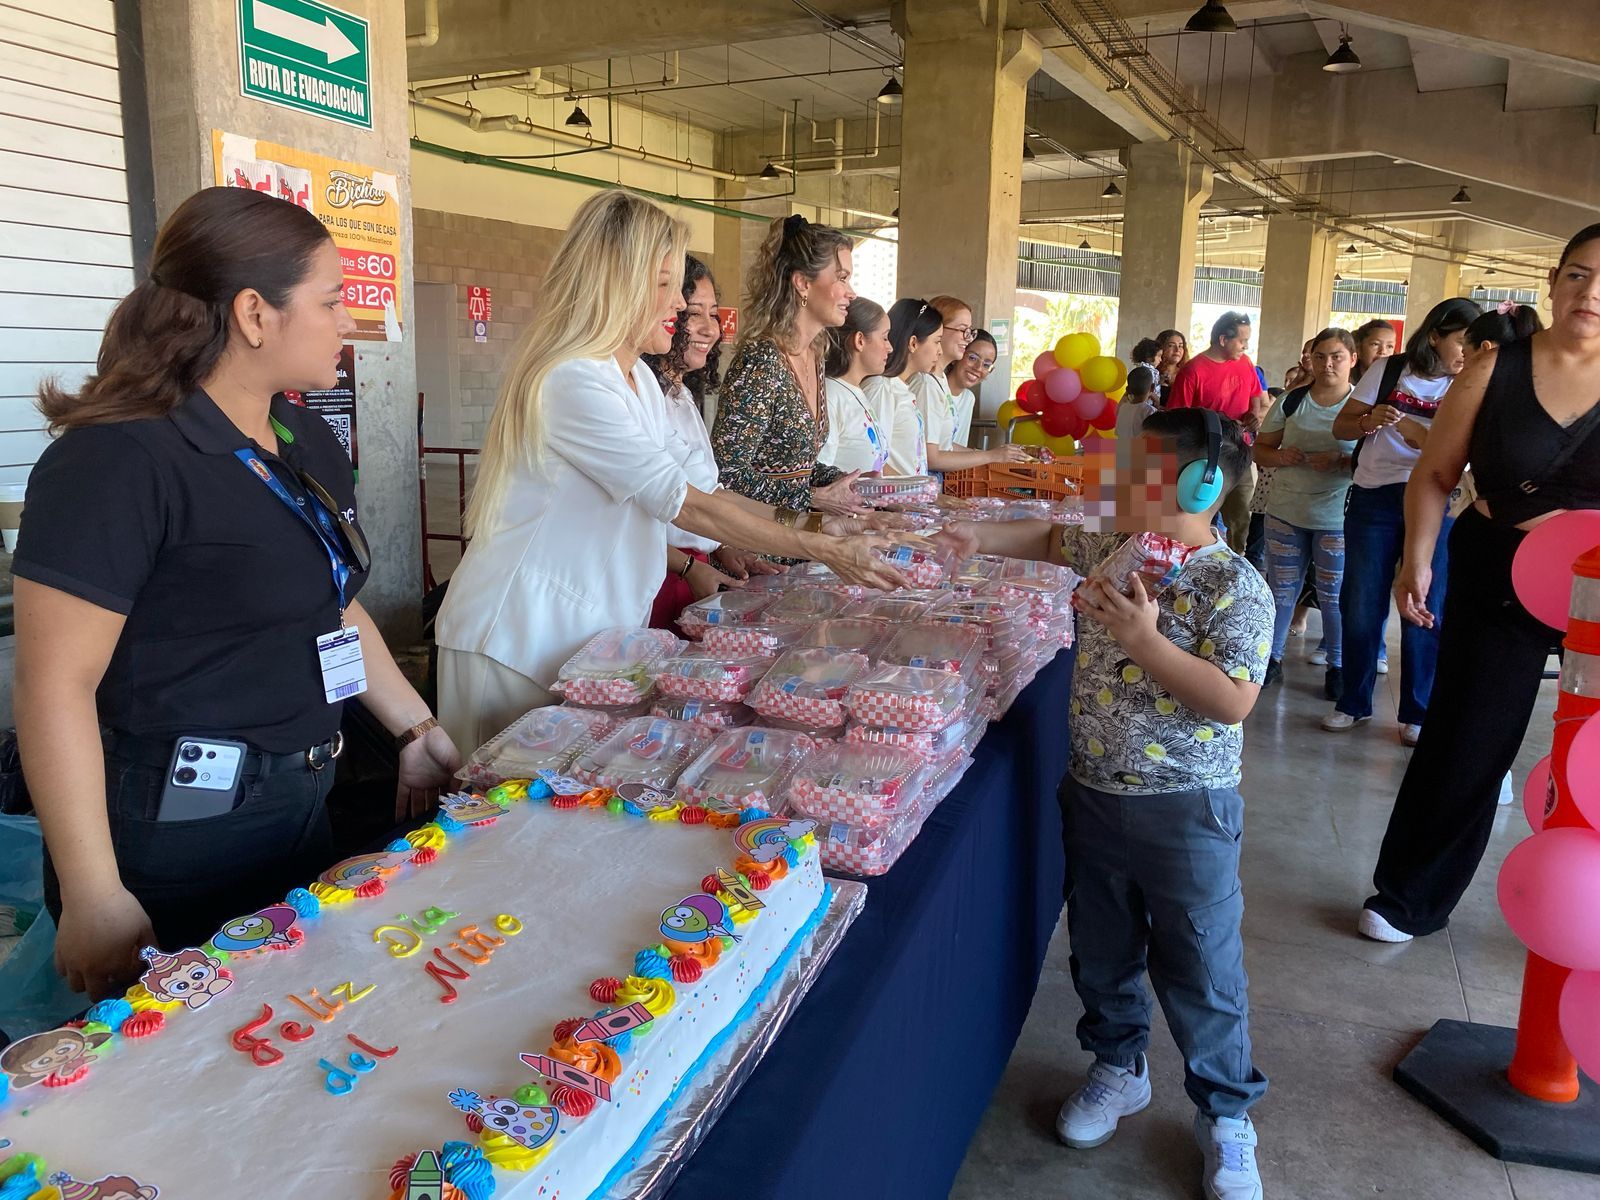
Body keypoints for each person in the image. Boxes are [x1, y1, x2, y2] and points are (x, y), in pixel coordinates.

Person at [12, 186, 463, 998]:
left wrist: (413, 726)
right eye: (331, 303)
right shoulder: (120, 459)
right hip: (175, 829)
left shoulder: (302, 435)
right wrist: (93, 892)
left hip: (303, 794)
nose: (350, 325)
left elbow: (328, 601)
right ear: (256, 314)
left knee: (285, 1025)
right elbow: (54, 685)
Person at [435, 191, 907, 752]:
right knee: (497, 813)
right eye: (664, 284)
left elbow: (709, 493)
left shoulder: (637, 382)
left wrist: (820, 526)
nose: (680, 306)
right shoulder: (573, 379)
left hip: (584, 639)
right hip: (516, 638)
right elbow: (683, 503)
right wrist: (823, 549)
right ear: (616, 284)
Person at [956, 409, 1272, 1200]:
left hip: (1186, 809)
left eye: (1137, 463)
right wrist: (969, 540)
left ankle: (1227, 1114)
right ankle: (1118, 1062)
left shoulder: (1236, 584)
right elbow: (1047, 542)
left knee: (1201, 961)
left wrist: (1145, 640)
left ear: (1198, 482)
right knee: (1102, 944)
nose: (1115, 475)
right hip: (1093, 792)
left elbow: (1232, 702)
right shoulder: (1114, 546)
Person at [1357, 254, 1588, 944]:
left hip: (1598, 585)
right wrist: (1419, 561)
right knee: (1466, 737)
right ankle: (1409, 896)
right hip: (1501, 568)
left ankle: (1584, 911)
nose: (1592, 291)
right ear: (1553, 281)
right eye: (1578, 273)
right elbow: (1433, 473)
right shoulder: (1497, 369)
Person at [1321, 297, 1480, 739]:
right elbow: (1343, 427)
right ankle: (1353, 701)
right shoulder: (1390, 370)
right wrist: (1370, 419)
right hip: (1375, 496)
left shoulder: (1473, 381)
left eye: (1474, 344)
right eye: (1460, 342)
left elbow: (1469, 456)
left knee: (1426, 604)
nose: (1466, 353)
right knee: (1361, 600)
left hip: (1437, 501)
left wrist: (1421, 434)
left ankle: (1417, 711)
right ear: (1435, 337)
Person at [642, 255, 781, 628]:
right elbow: (676, 506)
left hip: (695, 569)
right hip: (662, 573)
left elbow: (705, 489)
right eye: (692, 313)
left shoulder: (682, 394)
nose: (710, 329)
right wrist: (814, 533)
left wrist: (723, 547)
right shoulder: (643, 395)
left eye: (714, 314)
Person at [711, 214, 865, 515]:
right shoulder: (762, 361)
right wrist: (814, 497)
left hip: (793, 533)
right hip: (753, 547)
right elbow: (726, 474)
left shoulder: (814, 356)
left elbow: (796, 469)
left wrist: (845, 483)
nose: (852, 292)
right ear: (803, 283)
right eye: (842, 278)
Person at [1254, 328, 1359, 698]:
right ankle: (1273, 660)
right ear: (1310, 360)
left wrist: (1344, 461)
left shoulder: (1362, 406)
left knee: (1333, 596)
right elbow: (1261, 450)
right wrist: (1281, 456)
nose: (1327, 364)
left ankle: (1339, 666)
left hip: (1337, 519)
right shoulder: (1293, 401)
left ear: (1352, 359)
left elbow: (1376, 463)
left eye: (1336, 356)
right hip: (1285, 511)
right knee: (1282, 591)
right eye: (1320, 356)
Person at [1166, 311, 1270, 553]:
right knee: (1195, 513)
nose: (1246, 346)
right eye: (1242, 340)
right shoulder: (1193, 371)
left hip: (1241, 452)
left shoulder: (1245, 364)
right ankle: (1189, 559)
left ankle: (1238, 561)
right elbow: (1176, 419)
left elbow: (1258, 400)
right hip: (1203, 455)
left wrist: (1256, 418)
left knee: (1242, 512)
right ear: (1223, 339)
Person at [821, 297, 894, 475]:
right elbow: (820, 473)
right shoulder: (831, 395)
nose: (890, 347)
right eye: (884, 338)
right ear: (860, 340)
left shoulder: (855, 391)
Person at [944, 329, 999, 446]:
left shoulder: (969, 399)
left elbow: (955, 446)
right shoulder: (931, 388)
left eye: (986, 365)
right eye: (972, 358)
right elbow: (934, 448)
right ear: (957, 355)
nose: (978, 368)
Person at [1114, 363, 1158, 441]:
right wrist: (1157, 404)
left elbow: (1118, 431)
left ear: (1127, 389)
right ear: (1152, 388)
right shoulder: (1150, 411)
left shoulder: (1122, 408)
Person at [1351, 319, 1397, 384]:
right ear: (1359, 350)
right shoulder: (1345, 385)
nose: (1383, 351)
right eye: (1375, 344)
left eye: (1389, 346)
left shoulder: (1397, 385)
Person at [1155, 328, 1189, 397]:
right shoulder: (1151, 371)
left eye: (1180, 346)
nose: (1177, 350)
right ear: (1161, 348)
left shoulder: (1188, 374)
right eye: (1171, 345)